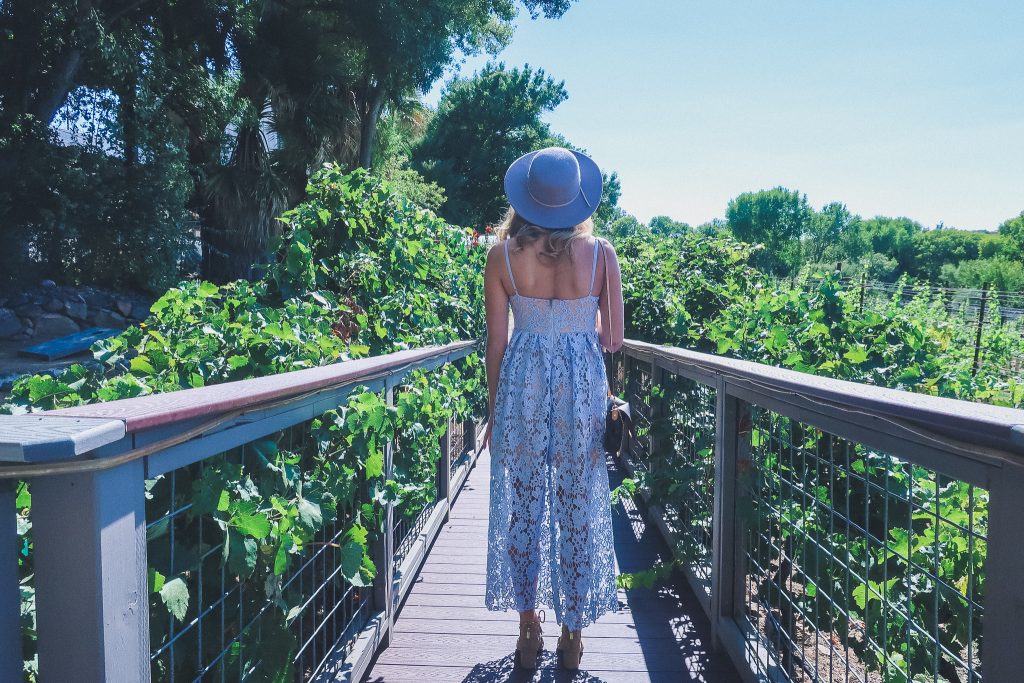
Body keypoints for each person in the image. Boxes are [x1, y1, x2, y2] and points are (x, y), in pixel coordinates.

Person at [480, 146, 624, 670]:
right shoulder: (602, 254)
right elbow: (614, 339)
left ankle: (527, 632)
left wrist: (495, 412)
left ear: (526, 197)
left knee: (524, 503)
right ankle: (572, 634)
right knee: (577, 506)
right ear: (577, 199)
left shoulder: (501, 256)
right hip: (582, 389)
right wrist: (577, 325)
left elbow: (496, 344)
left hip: (523, 387)